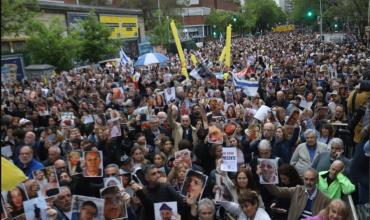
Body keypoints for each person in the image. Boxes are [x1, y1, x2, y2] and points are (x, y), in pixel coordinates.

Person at [264, 168, 331, 220]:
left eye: (312, 180)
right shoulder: (297, 190)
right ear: (303, 180)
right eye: (306, 179)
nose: (308, 182)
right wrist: (264, 179)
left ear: (317, 181)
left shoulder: (325, 199)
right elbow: (277, 191)